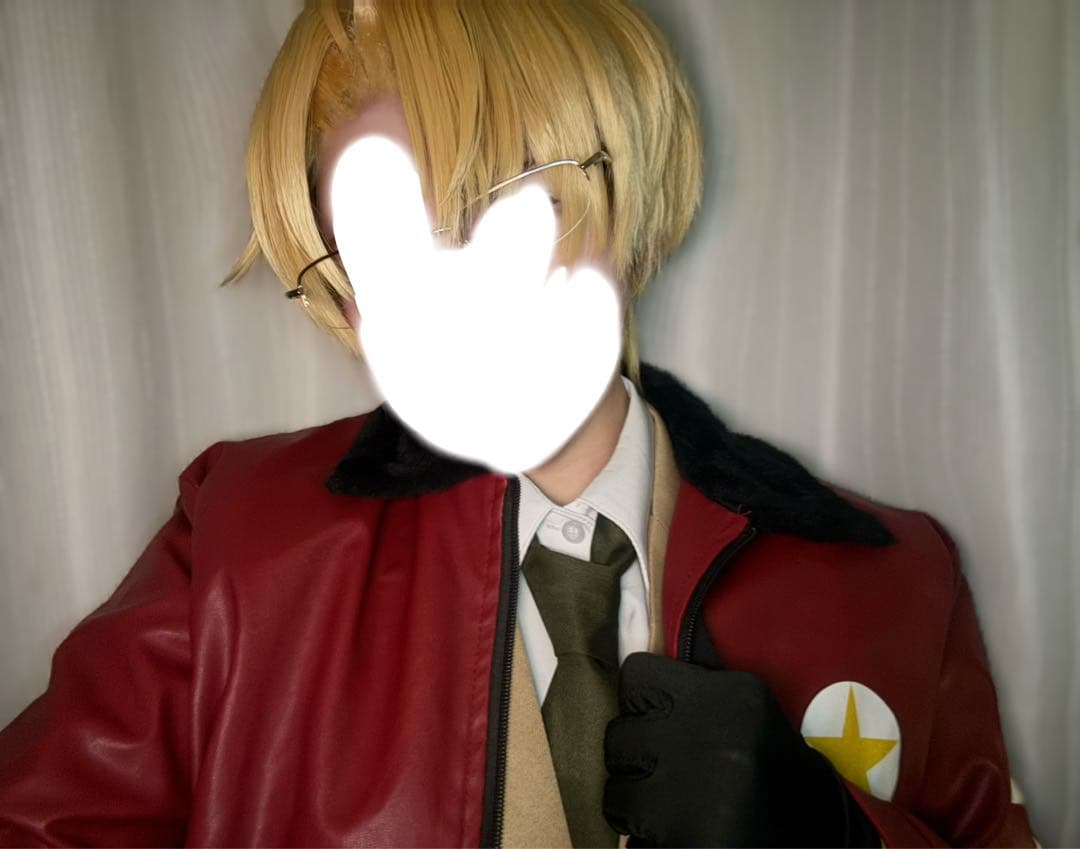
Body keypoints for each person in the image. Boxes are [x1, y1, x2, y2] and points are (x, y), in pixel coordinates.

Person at [0, 1, 1037, 846]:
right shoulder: (235, 541)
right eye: (377, 260)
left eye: (485, 207)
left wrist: (837, 837)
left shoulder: (894, 579)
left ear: (620, 178)